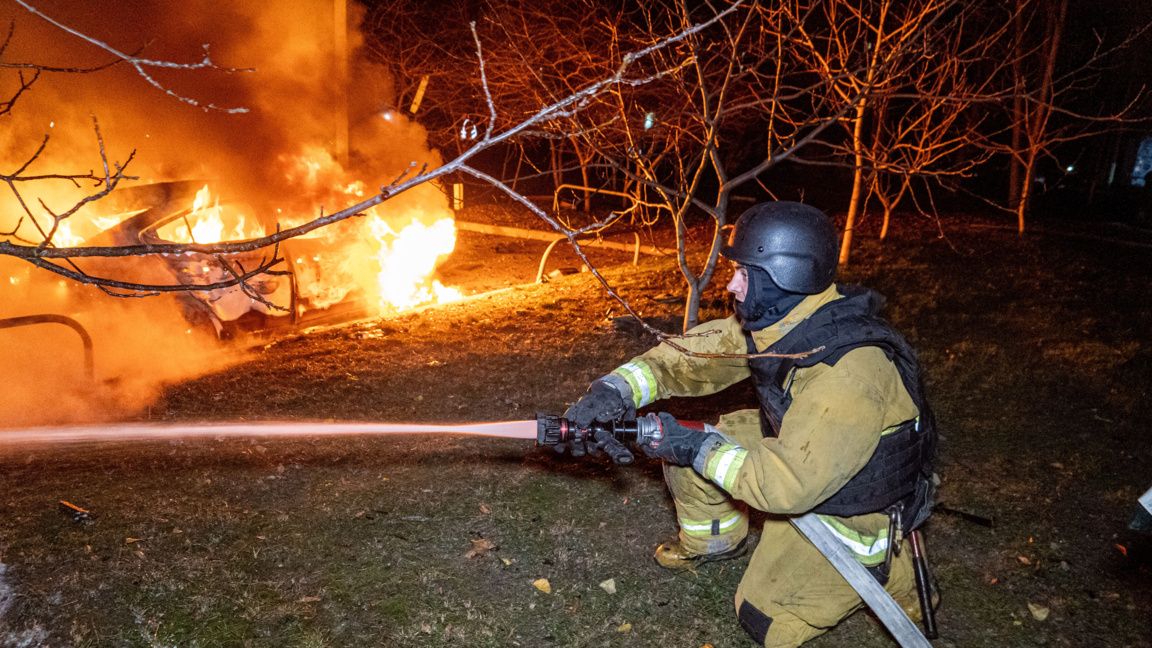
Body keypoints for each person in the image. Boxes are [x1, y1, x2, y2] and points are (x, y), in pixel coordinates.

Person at [560, 201, 937, 648]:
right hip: (804, 449)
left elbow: (785, 486)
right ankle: (716, 543)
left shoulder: (847, 376)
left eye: (743, 272)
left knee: (764, 620)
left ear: (785, 277)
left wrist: (693, 449)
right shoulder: (787, 321)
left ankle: (892, 570)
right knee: (694, 441)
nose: (731, 284)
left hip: (851, 505)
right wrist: (615, 389)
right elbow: (697, 355)